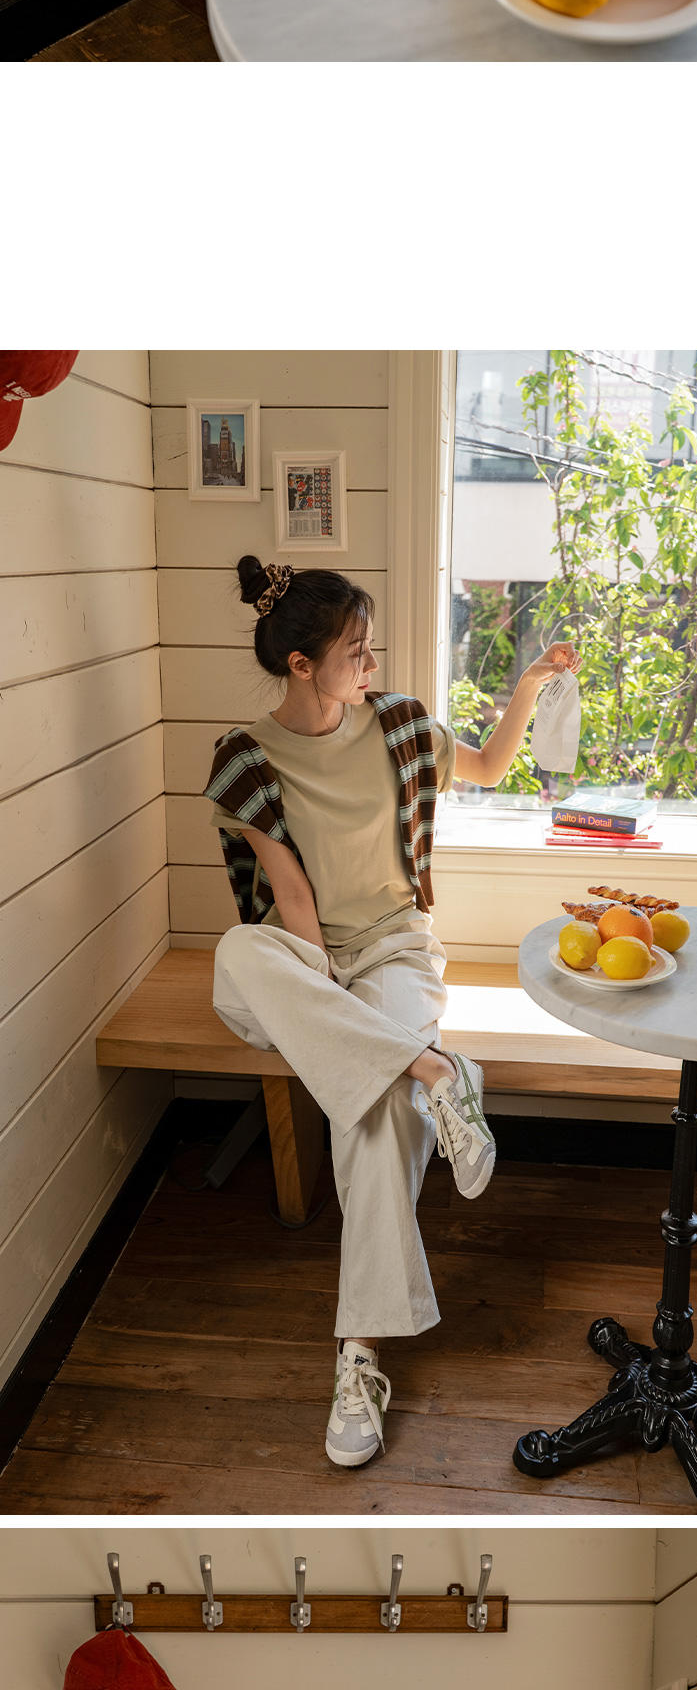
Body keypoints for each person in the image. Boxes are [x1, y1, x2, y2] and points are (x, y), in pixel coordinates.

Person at [205, 559, 579, 1468]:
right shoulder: (244, 758)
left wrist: (530, 685)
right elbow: (290, 893)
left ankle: (359, 1355)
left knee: (372, 1117)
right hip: (302, 963)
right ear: (302, 665)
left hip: (395, 949)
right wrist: (327, 987)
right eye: (354, 652)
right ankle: (436, 1070)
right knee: (237, 953)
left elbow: (487, 766)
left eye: (369, 648)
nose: (371, 664)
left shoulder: (402, 725)